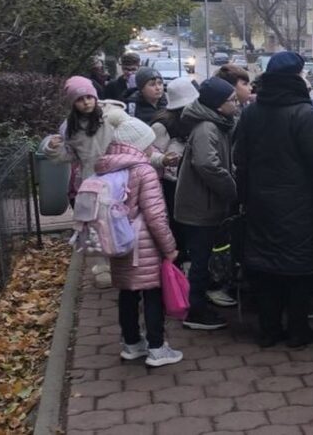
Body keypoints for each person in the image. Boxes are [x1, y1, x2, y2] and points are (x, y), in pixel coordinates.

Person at [234, 51, 313, 349]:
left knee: (265, 267)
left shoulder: (251, 111)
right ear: (295, 77)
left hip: (260, 202)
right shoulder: (304, 113)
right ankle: (299, 331)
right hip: (297, 203)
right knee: (298, 267)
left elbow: (239, 157)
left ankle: (268, 330)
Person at [95, 119, 182, 367]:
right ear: (140, 145)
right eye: (149, 144)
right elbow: (155, 216)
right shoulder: (143, 170)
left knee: (127, 292)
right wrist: (169, 248)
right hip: (144, 242)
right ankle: (157, 347)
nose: (152, 149)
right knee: (153, 293)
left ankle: (131, 343)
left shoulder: (107, 167)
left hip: (118, 238)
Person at [41, 76, 131, 288]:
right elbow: (67, 155)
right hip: (91, 181)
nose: (87, 102)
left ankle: (124, 258)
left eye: (90, 97)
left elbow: (131, 136)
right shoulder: (69, 127)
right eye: (80, 99)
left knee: (122, 217)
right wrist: (52, 147)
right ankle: (103, 266)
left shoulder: (110, 117)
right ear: (73, 103)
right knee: (97, 225)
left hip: (119, 176)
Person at [175, 77, 240, 331]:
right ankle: (196, 311)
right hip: (199, 207)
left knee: (203, 258)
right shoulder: (206, 128)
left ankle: (199, 305)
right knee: (200, 261)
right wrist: (231, 188)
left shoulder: (218, 124)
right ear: (217, 105)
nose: (236, 104)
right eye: (231, 100)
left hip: (206, 204)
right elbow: (207, 165)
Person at [149, 77, 196, 263]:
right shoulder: (162, 125)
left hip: (192, 179)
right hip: (170, 183)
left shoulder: (196, 120)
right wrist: (164, 160)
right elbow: (149, 155)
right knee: (176, 224)